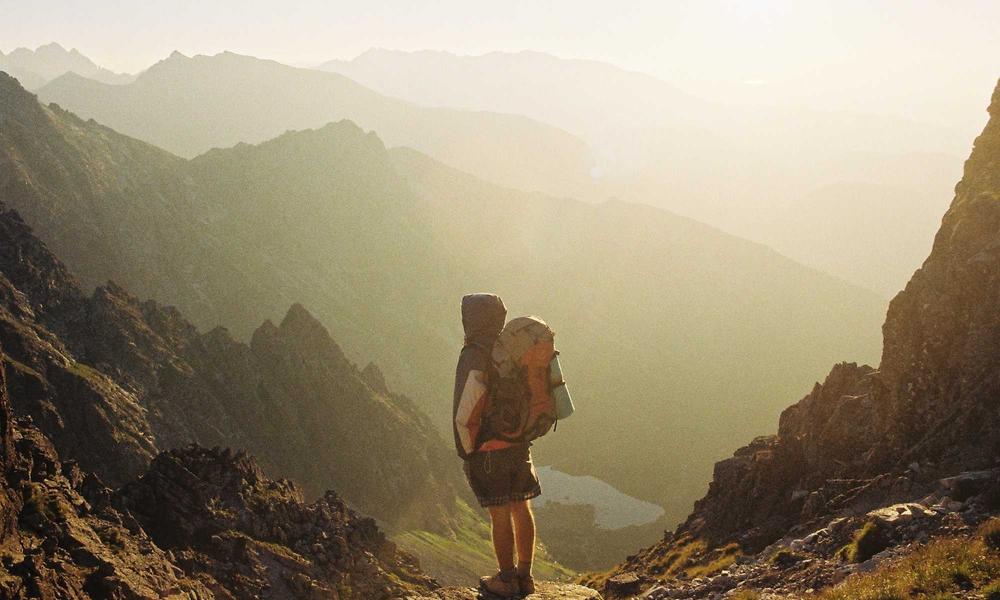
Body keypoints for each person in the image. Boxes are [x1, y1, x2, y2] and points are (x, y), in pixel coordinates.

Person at [453, 293, 541, 597]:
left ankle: (505, 579)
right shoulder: (512, 349)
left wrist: (467, 451)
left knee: (500, 514)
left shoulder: (474, 354)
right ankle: (525, 577)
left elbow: (466, 408)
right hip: (519, 444)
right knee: (522, 506)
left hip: (489, 451)